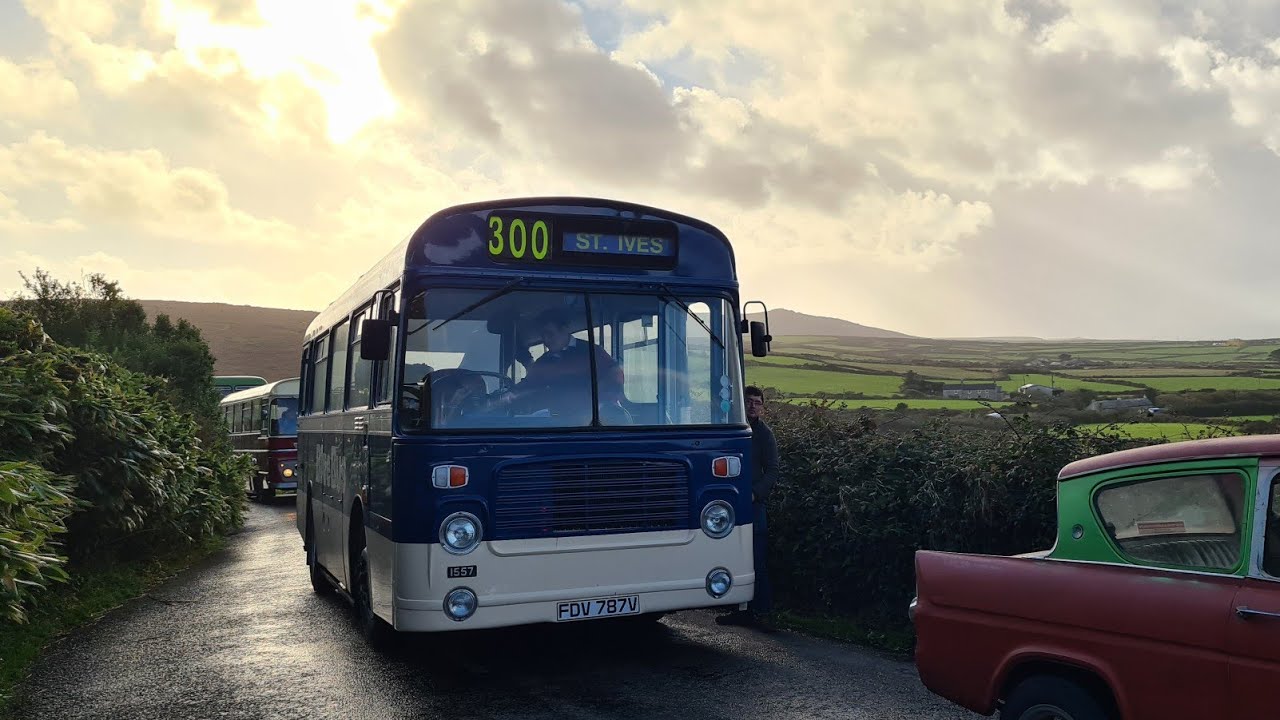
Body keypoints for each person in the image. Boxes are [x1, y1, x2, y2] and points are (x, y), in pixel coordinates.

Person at [717, 385, 779, 628]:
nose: (753, 405)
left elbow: (773, 470)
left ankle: (764, 613)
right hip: (727, 505)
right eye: (749, 401)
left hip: (753, 506)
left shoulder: (765, 435)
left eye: (757, 402)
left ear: (762, 407)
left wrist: (755, 494)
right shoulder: (729, 429)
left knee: (757, 559)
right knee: (733, 558)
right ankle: (741, 610)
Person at [499, 307, 623, 419]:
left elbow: (616, 377)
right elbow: (529, 384)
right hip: (558, 422)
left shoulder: (592, 352)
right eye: (543, 336)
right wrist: (509, 395)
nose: (546, 340)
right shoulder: (543, 361)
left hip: (593, 422)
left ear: (565, 329)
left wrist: (596, 402)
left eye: (550, 334)